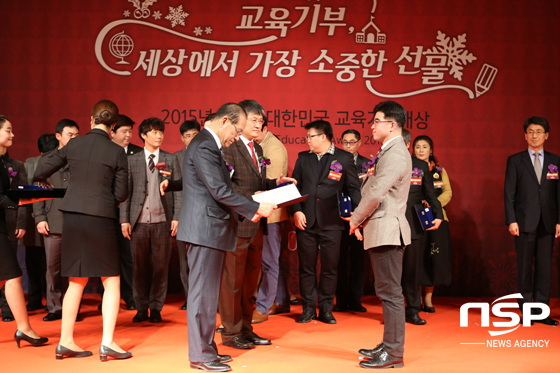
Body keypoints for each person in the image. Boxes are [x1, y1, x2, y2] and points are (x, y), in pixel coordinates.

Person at [167, 102, 276, 372]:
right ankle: (201, 356)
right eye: (236, 131)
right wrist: (253, 208)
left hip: (210, 229)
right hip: (204, 230)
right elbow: (218, 190)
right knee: (202, 296)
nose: (236, 137)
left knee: (207, 295)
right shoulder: (205, 145)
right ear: (225, 121)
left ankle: (207, 350)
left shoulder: (209, 144)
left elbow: (219, 189)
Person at [34, 100, 132, 360]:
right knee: (110, 279)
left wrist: (42, 180)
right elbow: (122, 193)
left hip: (73, 217)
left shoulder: (74, 143)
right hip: (101, 217)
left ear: (91, 120)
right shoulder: (116, 151)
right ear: (113, 126)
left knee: (76, 280)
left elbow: (40, 169)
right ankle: (108, 342)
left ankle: (66, 341)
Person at [218, 99, 288, 349]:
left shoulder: (258, 150)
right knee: (232, 283)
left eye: (262, 120)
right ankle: (231, 332)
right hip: (236, 225)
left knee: (250, 282)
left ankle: (247, 329)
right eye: (254, 119)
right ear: (240, 120)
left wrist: (277, 186)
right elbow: (227, 188)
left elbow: (256, 186)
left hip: (258, 224)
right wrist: (253, 199)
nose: (259, 124)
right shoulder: (229, 147)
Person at [349, 101, 411, 369]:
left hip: (387, 230)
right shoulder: (389, 151)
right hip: (382, 228)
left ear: (392, 124)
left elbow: (376, 193)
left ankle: (394, 353)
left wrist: (355, 219)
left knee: (390, 293)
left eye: (376, 121)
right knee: (386, 290)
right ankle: (389, 345)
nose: (372, 126)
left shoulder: (396, 153)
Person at [291, 120, 361, 325]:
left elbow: (353, 188)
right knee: (307, 268)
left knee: (330, 268)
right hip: (307, 221)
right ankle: (308, 309)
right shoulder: (303, 158)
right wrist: (296, 211)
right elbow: (295, 187)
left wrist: (357, 215)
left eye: (310, 137)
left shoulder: (344, 158)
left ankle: (326, 309)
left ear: (323, 137)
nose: (307, 141)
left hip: (333, 222)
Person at [120, 117, 181, 324]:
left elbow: (178, 192)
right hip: (137, 222)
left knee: (161, 267)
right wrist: (124, 220)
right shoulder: (132, 160)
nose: (158, 136)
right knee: (138, 268)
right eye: (154, 132)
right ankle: (140, 307)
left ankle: (156, 307)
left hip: (162, 220)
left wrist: (176, 217)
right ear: (143, 135)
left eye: (161, 132)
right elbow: (125, 193)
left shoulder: (170, 159)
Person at [504, 116, 560, 326]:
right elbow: (509, 193)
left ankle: (542, 312)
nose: (534, 135)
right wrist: (511, 220)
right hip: (524, 222)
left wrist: (559, 221)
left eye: (539, 132)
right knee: (525, 268)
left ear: (547, 135)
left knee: (545, 268)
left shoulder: (556, 161)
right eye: (531, 132)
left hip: (548, 222)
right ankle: (527, 311)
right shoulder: (515, 160)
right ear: (525, 135)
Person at [0, 115, 48, 347]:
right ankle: (25, 329)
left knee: (11, 277)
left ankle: (24, 328)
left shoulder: (10, 164)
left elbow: (14, 196)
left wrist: (37, 194)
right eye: (8, 130)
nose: (13, 135)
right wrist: (19, 199)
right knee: (12, 276)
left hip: (3, 226)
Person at [34, 119, 79, 322]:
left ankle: (72, 308)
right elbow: (37, 189)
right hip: (52, 219)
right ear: (58, 136)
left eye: (77, 135)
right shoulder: (47, 159)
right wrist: (40, 217)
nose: (74, 138)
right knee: (53, 268)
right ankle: (55, 307)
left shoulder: (82, 158)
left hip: (76, 220)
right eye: (70, 134)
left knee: (75, 268)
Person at [401, 129, 443, 326]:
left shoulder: (420, 165)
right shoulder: (382, 162)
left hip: (413, 223)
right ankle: (393, 311)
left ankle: (413, 310)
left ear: (407, 144)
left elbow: (430, 193)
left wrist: (438, 216)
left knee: (412, 270)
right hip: (389, 222)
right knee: (392, 271)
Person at [252, 116, 290, 324]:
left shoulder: (273, 147)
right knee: (274, 260)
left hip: (271, 213)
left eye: (257, 126)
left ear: (264, 127)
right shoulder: (259, 145)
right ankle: (281, 299)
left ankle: (264, 306)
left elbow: (271, 187)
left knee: (269, 262)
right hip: (265, 211)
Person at [413, 135, 453, 313]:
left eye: (425, 147)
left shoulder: (439, 170)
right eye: (418, 147)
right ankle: (413, 300)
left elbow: (448, 193)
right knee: (415, 259)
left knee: (433, 258)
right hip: (415, 218)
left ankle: (428, 300)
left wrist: (434, 203)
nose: (421, 150)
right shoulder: (409, 169)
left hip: (436, 219)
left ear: (431, 150)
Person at [333, 129, 370, 313]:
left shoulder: (367, 165)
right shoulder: (335, 163)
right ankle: (340, 300)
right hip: (340, 218)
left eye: (352, 142)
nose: (348, 145)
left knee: (358, 260)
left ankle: (356, 300)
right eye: (345, 142)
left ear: (359, 143)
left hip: (361, 218)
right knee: (339, 261)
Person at [22, 134, 58, 312]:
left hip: (31, 217)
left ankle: (35, 299)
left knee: (34, 262)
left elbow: (25, 188)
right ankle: (51, 299)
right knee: (53, 264)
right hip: (51, 217)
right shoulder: (58, 161)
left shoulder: (29, 162)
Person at [174, 119, 201, 311]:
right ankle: (190, 297)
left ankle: (205, 298)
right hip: (183, 215)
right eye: (188, 136)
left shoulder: (210, 154)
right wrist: (176, 216)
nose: (192, 139)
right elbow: (175, 190)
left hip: (205, 215)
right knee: (185, 262)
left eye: (195, 135)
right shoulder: (176, 158)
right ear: (182, 139)